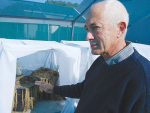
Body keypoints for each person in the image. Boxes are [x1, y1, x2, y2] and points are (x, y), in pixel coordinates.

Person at [35, 0, 150, 113]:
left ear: (120, 29)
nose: (88, 37)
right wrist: (54, 89)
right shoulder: (102, 61)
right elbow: (85, 88)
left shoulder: (143, 77)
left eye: (96, 27)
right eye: (87, 29)